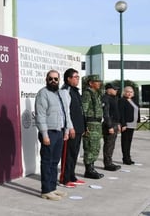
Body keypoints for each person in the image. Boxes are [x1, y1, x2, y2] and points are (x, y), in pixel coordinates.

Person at [35, 70, 73, 201]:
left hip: (60, 131)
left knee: (55, 161)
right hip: (49, 132)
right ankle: (46, 190)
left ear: (59, 80)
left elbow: (65, 114)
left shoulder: (61, 94)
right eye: (50, 78)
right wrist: (44, 135)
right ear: (46, 79)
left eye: (55, 79)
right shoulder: (43, 94)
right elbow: (40, 116)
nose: (53, 81)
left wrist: (67, 131)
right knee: (47, 161)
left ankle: (52, 187)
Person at [59, 68, 86, 188]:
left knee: (75, 154)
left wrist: (84, 127)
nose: (77, 79)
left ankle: (72, 176)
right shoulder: (65, 91)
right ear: (68, 78)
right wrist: (70, 127)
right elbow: (66, 111)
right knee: (68, 154)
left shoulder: (76, 91)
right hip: (71, 129)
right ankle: (64, 179)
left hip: (79, 128)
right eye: (75, 77)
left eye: (78, 77)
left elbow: (80, 111)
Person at [82, 74, 104, 179]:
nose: (99, 83)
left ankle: (92, 168)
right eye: (97, 81)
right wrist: (84, 125)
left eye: (99, 81)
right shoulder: (87, 93)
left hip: (97, 124)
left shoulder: (96, 94)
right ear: (91, 83)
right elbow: (84, 110)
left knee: (96, 147)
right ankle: (88, 170)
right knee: (90, 147)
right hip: (90, 124)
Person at [102, 83, 121, 171]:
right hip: (109, 124)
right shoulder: (105, 98)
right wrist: (109, 126)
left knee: (112, 145)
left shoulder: (114, 98)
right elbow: (106, 114)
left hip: (115, 123)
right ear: (108, 89)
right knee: (108, 145)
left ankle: (110, 162)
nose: (116, 91)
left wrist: (118, 124)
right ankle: (107, 164)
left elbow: (116, 113)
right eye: (114, 89)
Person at [119, 86, 140, 165]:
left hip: (133, 124)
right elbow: (121, 113)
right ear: (124, 92)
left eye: (131, 92)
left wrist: (137, 121)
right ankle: (125, 158)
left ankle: (128, 157)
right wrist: (123, 124)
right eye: (127, 91)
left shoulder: (134, 101)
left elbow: (137, 111)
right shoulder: (122, 101)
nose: (129, 93)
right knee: (125, 142)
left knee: (129, 142)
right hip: (126, 124)